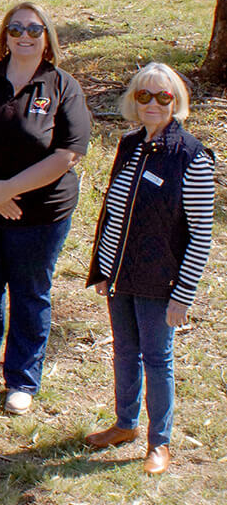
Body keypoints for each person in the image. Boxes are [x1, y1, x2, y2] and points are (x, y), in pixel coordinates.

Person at [0, 2, 91, 415]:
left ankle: (22, 379)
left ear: (48, 37)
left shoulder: (63, 86)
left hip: (40, 215)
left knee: (30, 293)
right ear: (4, 36)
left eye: (34, 28)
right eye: (15, 28)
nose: (24, 36)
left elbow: (67, 154)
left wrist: (9, 190)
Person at [84, 63, 214, 475]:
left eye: (163, 97)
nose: (154, 104)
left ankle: (160, 442)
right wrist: (104, 269)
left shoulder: (192, 156)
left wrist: (183, 294)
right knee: (125, 351)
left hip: (162, 282)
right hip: (121, 275)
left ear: (177, 102)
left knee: (158, 359)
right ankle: (125, 424)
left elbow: (200, 235)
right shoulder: (128, 143)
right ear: (133, 101)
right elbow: (114, 213)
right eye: (145, 96)